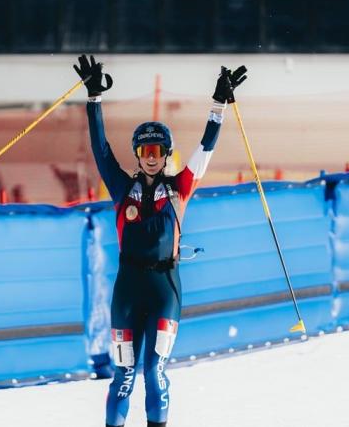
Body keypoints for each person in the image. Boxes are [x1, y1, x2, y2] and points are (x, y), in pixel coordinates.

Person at [74, 55, 246, 427]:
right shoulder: (123, 188)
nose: (151, 159)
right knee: (123, 376)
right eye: (144, 152)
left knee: (153, 371)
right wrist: (94, 100)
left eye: (157, 152)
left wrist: (219, 105)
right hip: (128, 287)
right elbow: (101, 151)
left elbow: (206, 150)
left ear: (166, 155)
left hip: (165, 287)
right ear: (137, 156)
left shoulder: (180, 188)